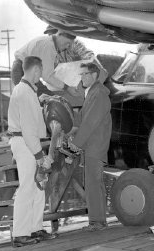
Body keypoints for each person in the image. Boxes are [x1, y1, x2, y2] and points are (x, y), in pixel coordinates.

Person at [7, 56, 54, 247]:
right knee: (27, 186)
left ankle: (35, 228)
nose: (41, 75)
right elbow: (28, 129)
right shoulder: (25, 93)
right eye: (41, 71)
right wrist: (39, 155)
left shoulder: (26, 91)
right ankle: (20, 233)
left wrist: (39, 101)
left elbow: (28, 120)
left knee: (38, 186)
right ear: (36, 70)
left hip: (26, 142)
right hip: (26, 143)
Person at [68, 63, 112, 231]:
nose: (82, 77)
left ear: (94, 75)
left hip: (95, 145)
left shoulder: (98, 94)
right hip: (93, 145)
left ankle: (97, 222)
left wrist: (75, 144)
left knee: (93, 183)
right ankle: (98, 220)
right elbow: (81, 120)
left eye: (85, 74)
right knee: (94, 183)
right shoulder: (92, 93)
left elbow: (90, 123)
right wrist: (69, 133)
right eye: (82, 74)